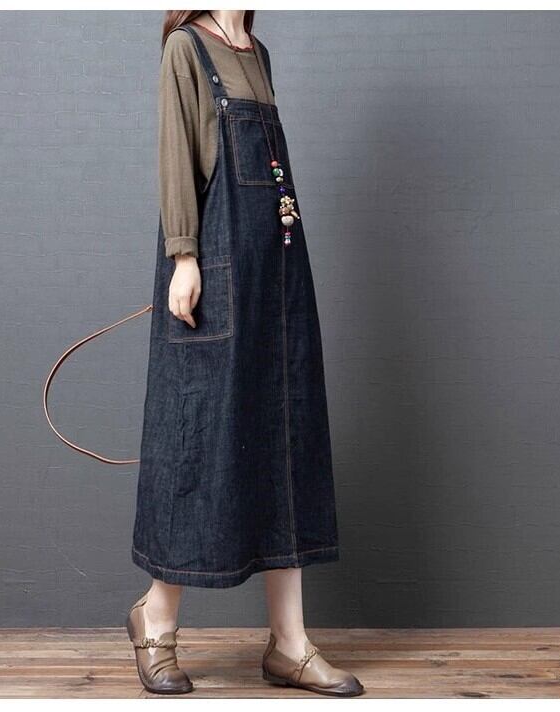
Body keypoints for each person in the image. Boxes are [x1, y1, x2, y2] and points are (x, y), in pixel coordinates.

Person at [128, 10, 364, 697]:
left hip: (278, 272)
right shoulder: (186, 48)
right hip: (216, 271)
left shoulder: (256, 52)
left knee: (284, 435)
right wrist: (184, 256)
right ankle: (156, 618)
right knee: (199, 440)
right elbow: (177, 152)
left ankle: (289, 644)